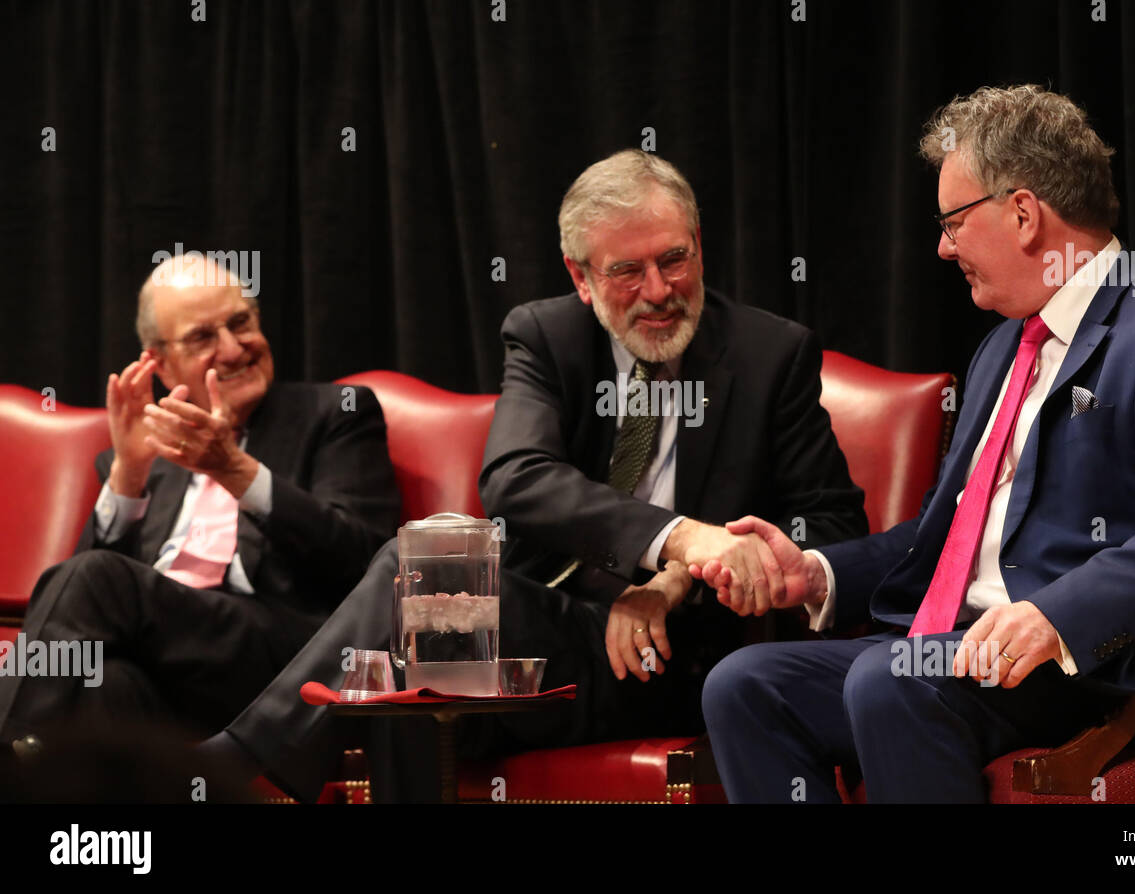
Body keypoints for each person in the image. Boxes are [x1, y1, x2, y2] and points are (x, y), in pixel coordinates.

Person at [203, 149, 868, 802]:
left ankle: (234, 773)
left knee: (416, 604)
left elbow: (833, 525)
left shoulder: (768, 355)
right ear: (581, 278)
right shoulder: (549, 336)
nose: (660, 292)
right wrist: (678, 539)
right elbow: (516, 478)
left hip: (673, 659)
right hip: (547, 634)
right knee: (427, 584)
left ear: (698, 244)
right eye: (626, 272)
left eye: (674, 259)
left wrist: (682, 581)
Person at [699, 85, 1135, 803]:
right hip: (952, 652)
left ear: (1024, 213)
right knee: (745, 686)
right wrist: (815, 573)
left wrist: (1058, 614)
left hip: (1085, 666)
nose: (941, 246)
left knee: (887, 679)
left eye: (954, 221)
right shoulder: (1003, 348)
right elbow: (947, 535)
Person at [0, 256, 400, 752]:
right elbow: (73, 611)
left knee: (95, 578)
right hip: (175, 672)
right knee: (103, 688)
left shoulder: (335, 415)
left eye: (240, 323)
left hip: (285, 653)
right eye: (203, 337)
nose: (233, 349)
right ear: (159, 364)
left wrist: (235, 469)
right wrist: (128, 474)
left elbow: (365, 560)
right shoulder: (147, 452)